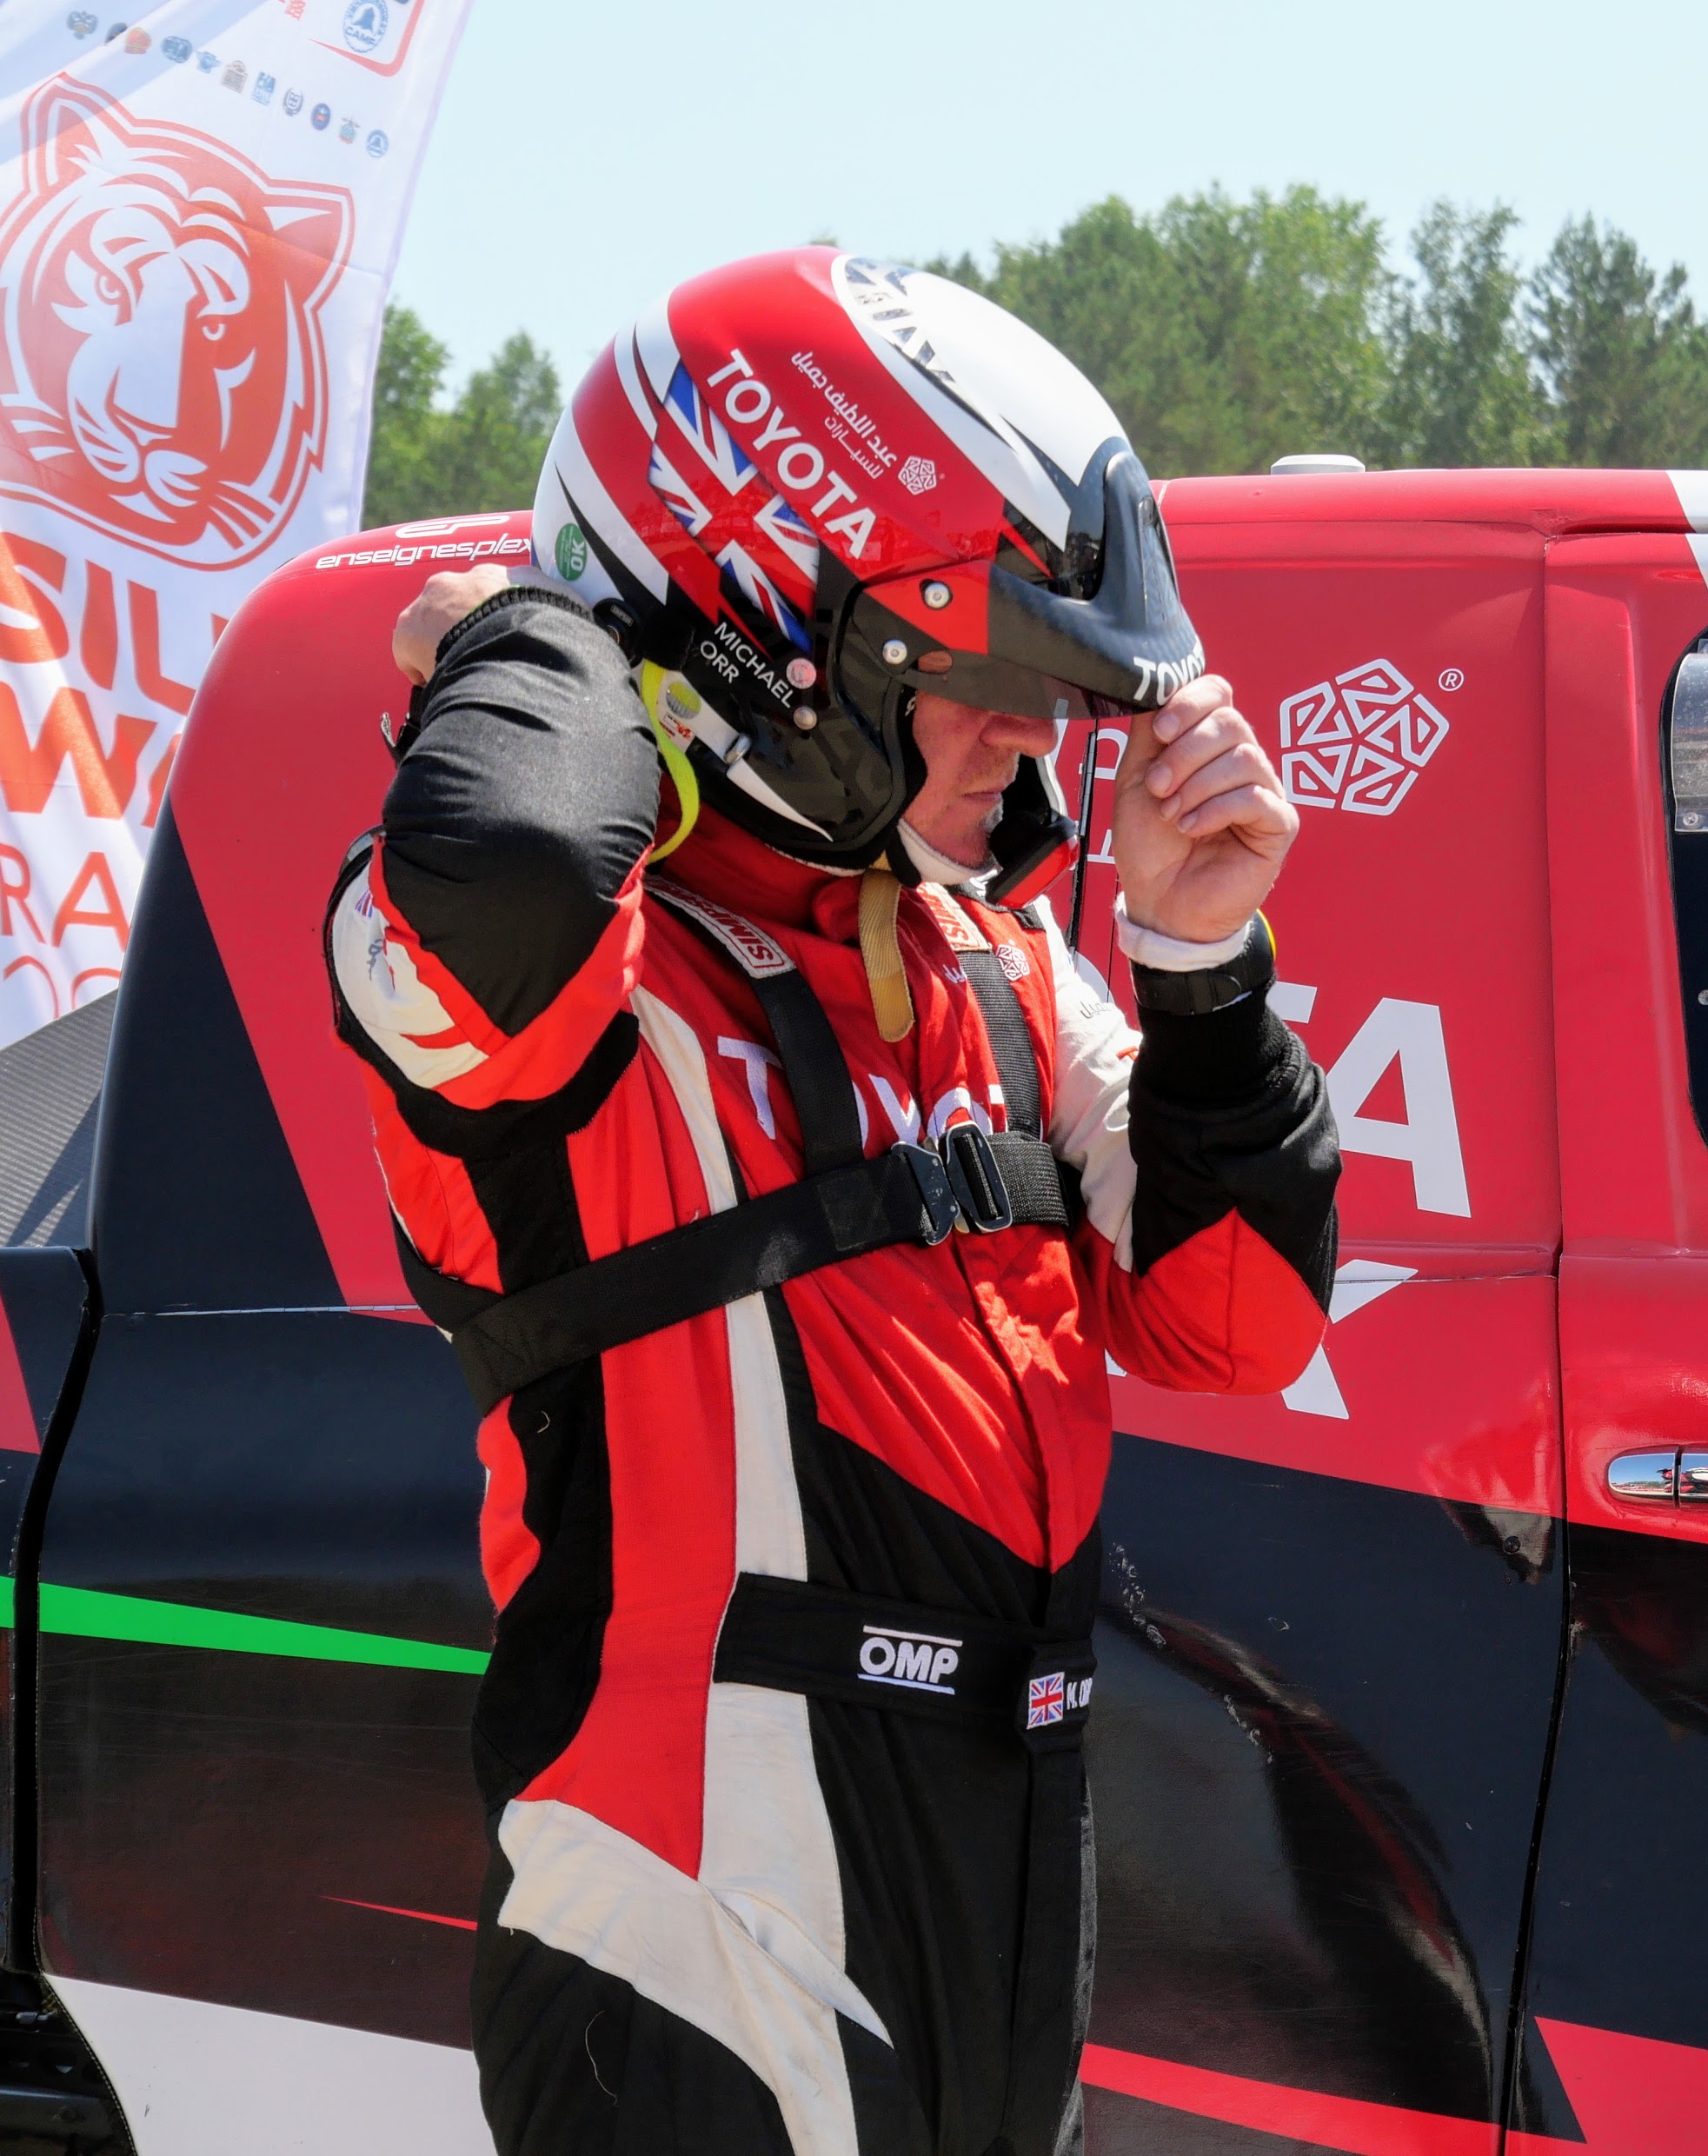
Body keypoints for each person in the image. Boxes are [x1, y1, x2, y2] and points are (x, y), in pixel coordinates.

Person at [327, 249, 1341, 2156]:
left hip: (1002, 1875)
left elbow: (1242, 1324)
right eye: (991, 678)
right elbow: (514, 853)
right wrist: (536, 629)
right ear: (766, 641)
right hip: (686, 1933)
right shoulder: (587, 985)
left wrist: (1202, 967)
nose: (1032, 738)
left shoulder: (997, 969)